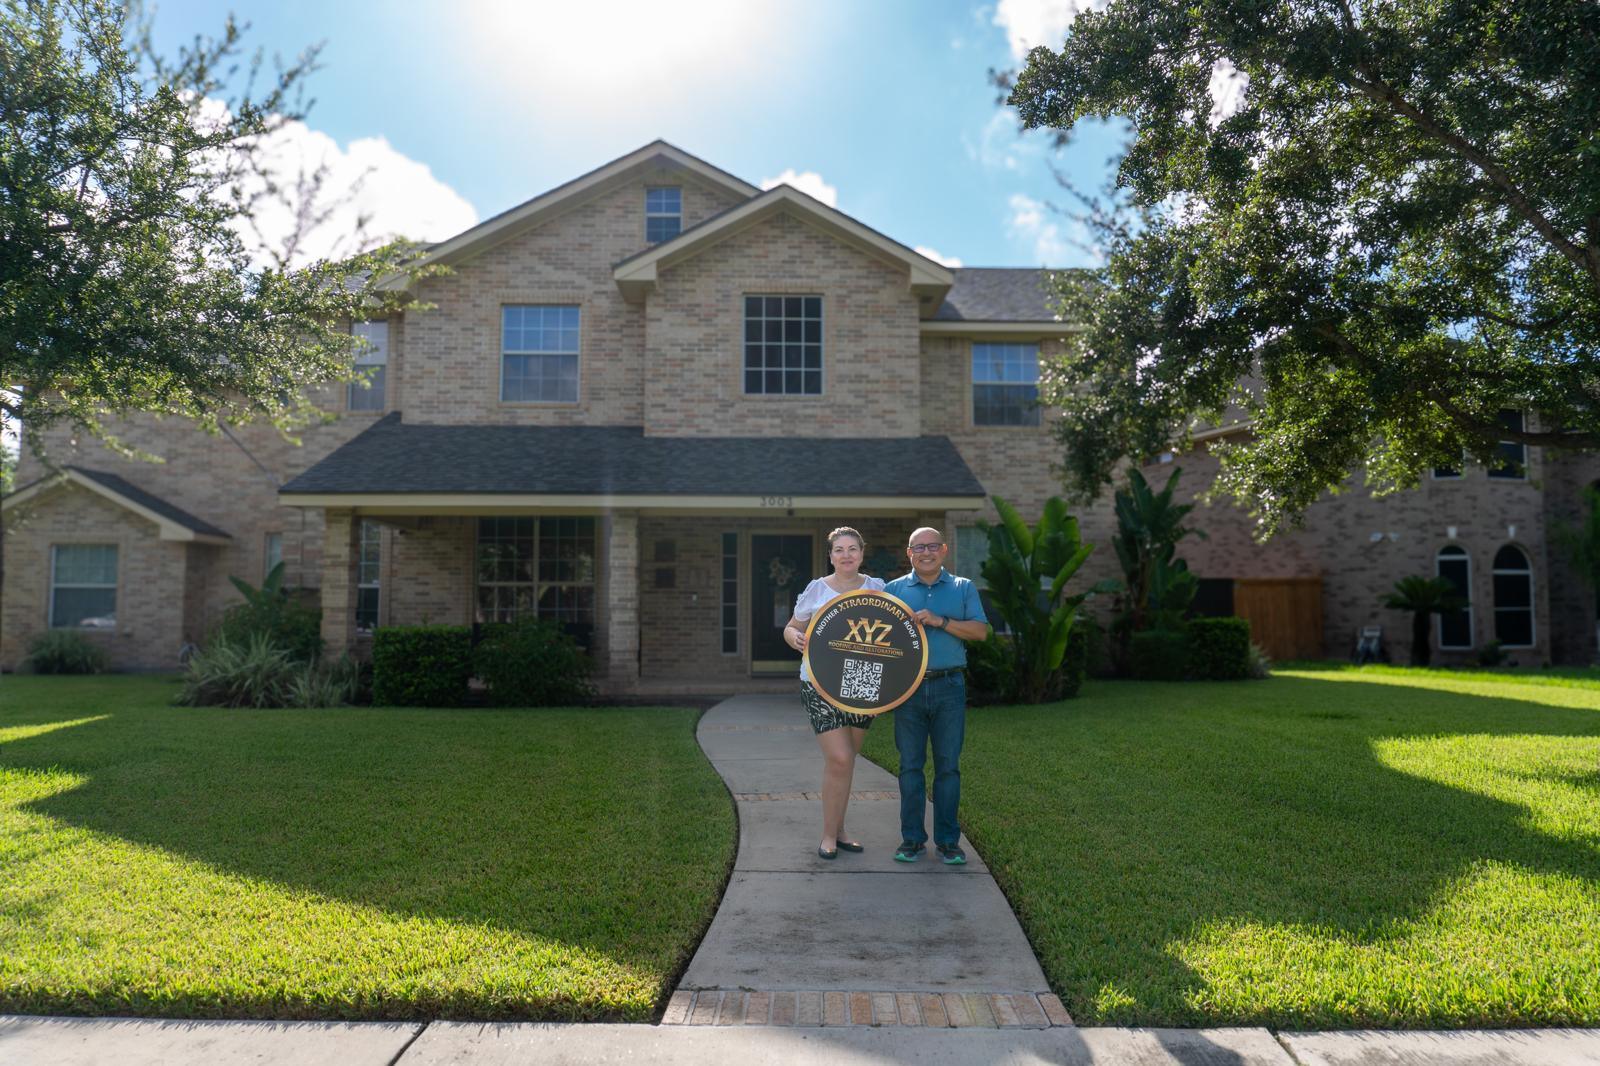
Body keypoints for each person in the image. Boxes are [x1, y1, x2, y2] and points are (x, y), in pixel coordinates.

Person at [883, 526, 989, 865]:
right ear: (909, 553)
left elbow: (980, 631)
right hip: (909, 690)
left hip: (949, 687)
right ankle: (911, 840)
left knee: (948, 767)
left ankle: (948, 842)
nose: (925, 552)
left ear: (943, 550)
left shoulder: (963, 588)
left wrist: (941, 621)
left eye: (932, 546)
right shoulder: (893, 590)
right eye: (918, 547)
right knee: (910, 766)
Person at [783, 526, 885, 860]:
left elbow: (896, 629)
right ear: (830, 556)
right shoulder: (817, 589)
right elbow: (793, 627)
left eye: (852, 548)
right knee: (839, 758)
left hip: (862, 680)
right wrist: (793, 638)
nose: (846, 555)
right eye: (839, 550)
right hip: (820, 682)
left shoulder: (877, 588)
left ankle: (840, 830)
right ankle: (828, 835)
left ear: (862, 552)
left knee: (848, 760)